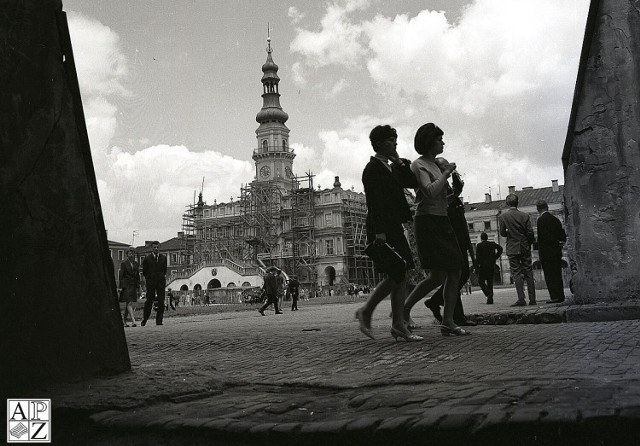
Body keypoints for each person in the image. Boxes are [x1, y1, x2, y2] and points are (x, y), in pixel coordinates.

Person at [354, 124, 422, 342]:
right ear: (380, 144)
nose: (395, 143)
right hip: (382, 225)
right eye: (391, 140)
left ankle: (397, 324)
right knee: (398, 271)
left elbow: (412, 182)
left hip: (393, 224)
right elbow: (374, 202)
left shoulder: (391, 166)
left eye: (396, 139)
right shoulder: (372, 168)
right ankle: (368, 310)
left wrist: (399, 161)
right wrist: (380, 232)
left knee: (401, 273)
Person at [403, 123, 470, 336]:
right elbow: (430, 192)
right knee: (437, 276)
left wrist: (454, 187)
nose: (443, 142)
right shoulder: (419, 165)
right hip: (427, 221)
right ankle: (404, 309)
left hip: (442, 220)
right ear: (430, 141)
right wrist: (446, 173)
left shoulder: (435, 165)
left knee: (455, 271)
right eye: (440, 139)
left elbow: (444, 196)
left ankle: (448, 320)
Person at [422, 157, 477, 327]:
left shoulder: (446, 183)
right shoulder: (438, 184)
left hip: (459, 232)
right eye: (445, 165)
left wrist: (454, 175)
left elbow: (457, 190)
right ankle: (449, 311)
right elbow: (449, 198)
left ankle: (453, 314)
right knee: (457, 274)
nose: (448, 166)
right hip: (451, 232)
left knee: (457, 275)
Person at [499, 194, 536, 306]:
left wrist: (509, 233)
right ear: (517, 202)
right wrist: (527, 243)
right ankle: (532, 299)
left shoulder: (503, 217)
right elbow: (530, 232)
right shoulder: (525, 216)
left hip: (512, 247)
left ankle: (521, 299)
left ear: (507, 203)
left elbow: (502, 233)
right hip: (524, 246)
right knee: (528, 271)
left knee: (516, 273)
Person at [535, 200, 567, 303]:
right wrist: (559, 244)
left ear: (538, 209)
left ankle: (554, 297)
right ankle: (561, 296)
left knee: (549, 275)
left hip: (546, 253)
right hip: (556, 252)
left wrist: (540, 253)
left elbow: (542, 238)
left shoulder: (540, 220)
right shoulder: (555, 219)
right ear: (547, 207)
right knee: (557, 274)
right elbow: (562, 235)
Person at [141, 241, 168, 326]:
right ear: (152, 248)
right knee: (149, 301)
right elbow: (145, 271)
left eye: (157, 247)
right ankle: (144, 319)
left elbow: (164, 270)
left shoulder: (163, 258)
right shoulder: (147, 258)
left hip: (160, 282)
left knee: (161, 301)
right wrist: (149, 279)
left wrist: (160, 277)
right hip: (151, 282)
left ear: (159, 248)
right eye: (154, 247)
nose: (156, 249)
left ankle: (159, 320)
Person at [475, 232, 503, 304]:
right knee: (490, 282)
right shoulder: (492, 244)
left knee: (481, 281)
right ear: (487, 237)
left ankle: (488, 293)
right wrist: (495, 257)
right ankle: (490, 299)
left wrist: (476, 267)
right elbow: (500, 249)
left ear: (481, 238)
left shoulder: (479, 245)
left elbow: (477, 258)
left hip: (483, 266)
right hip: (491, 265)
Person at [119, 247, 140, 327]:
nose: (131, 255)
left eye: (132, 253)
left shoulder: (136, 263)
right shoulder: (124, 263)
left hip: (133, 285)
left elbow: (137, 275)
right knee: (129, 302)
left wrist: (138, 286)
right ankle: (133, 321)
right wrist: (120, 287)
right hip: (126, 285)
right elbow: (121, 275)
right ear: (127, 255)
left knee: (129, 303)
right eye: (129, 253)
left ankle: (124, 321)